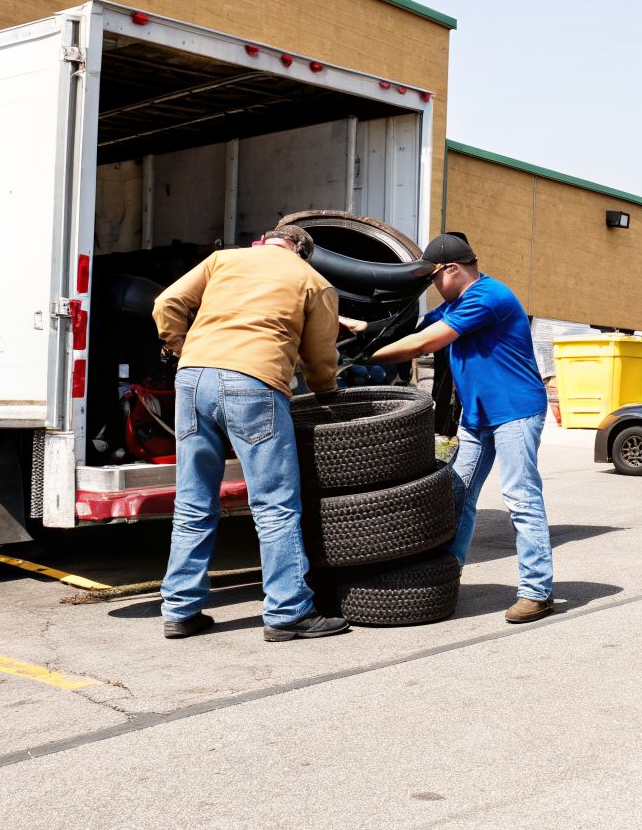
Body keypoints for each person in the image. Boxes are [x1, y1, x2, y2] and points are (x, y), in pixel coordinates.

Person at [152, 224, 350, 642]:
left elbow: (167, 301)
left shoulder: (224, 259)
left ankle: (180, 610)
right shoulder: (313, 281)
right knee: (274, 505)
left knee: (192, 501)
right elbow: (319, 354)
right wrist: (326, 392)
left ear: (267, 240)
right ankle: (288, 612)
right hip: (253, 382)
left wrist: (180, 346)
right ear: (303, 252)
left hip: (192, 380)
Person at [359, 232, 555, 623]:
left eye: (433, 277)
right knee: (455, 493)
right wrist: (356, 326)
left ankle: (538, 591)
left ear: (452, 269)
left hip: (515, 411)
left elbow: (424, 343)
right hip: (478, 416)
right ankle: (447, 574)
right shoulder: (458, 303)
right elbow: (409, 328)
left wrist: (363, 357)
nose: (432, 285)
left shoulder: (487, 297)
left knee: (520, 497)